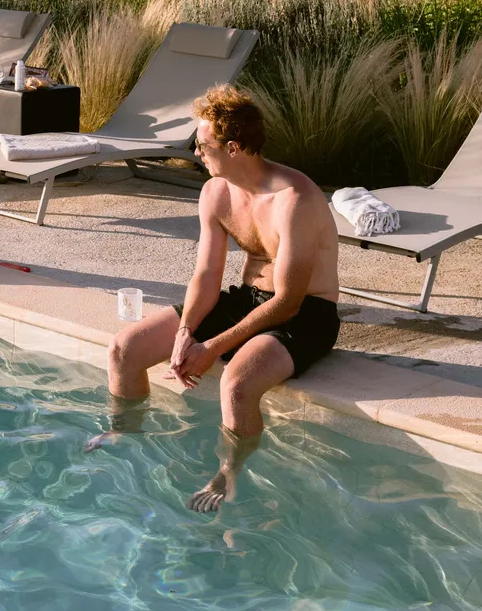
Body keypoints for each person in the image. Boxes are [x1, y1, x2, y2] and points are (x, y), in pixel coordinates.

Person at [104, 84, 340, 513]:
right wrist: (185, 332)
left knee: (235, 387)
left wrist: (212, 347)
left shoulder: (295, 200)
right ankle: (126, 434)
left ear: (233, 147)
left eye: (202, 143)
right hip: (248, 299)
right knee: (125, 349)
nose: (196, 151)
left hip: (306, 313)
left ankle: (231, 475)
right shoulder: (216, 192)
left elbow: (288, 301)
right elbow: (208, 274)